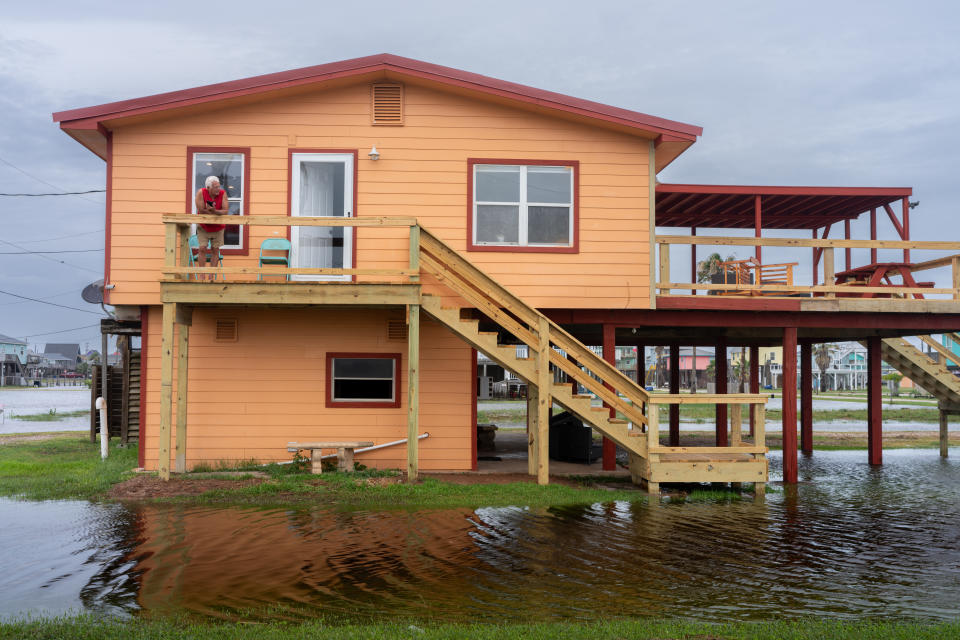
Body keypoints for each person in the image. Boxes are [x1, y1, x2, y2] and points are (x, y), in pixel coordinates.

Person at [195, 176, 229, 280]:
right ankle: (202, 275)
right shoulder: (201, 192)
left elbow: (225, 211)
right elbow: (200, 210)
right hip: (204, 225)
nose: (218, 189)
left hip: (218, 226)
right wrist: (213, 211)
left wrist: (214, 211)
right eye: (215, 187)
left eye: (219, 186)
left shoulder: (223, 194)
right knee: (202, 248)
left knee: (215, 250)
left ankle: (211, 275)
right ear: (208, 187)